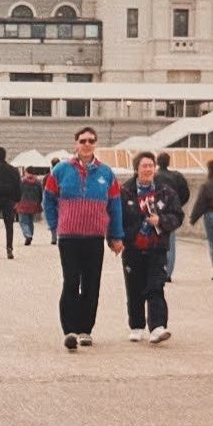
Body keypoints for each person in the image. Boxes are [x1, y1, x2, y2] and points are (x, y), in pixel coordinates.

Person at [43, 126, 123, 351]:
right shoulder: (60, 170)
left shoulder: (106, 173)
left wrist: (116, 236)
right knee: (71, 282)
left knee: (91, 284)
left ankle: (85, 329)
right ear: (76, 144)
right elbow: (48, 199)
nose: (86, 144)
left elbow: (115, 206)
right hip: (69, 237)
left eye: (90, 140)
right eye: (82, 140)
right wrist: (54, 225)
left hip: (94, 237)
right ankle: (69, 330)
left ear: (95, 144)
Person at [119, 152, 184, 345]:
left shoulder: (166, 192)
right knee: (134, 288)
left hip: (157, 247)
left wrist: (161, 221)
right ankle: (136, 325)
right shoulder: (125, 191)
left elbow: (177, 216)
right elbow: (116, 217)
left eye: (151, 166)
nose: (148, 169)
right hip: (133, 247)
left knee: (156, 286)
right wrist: (118, 238)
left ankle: (157, 326)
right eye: (144, 166)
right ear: (136, 169)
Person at [154, 152, 190, 281]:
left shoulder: (154, 176)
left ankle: (156, 269)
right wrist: (177, 205)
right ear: (168, 162)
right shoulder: (177, 176)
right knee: (170, 244)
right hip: (171, 214)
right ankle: (167, 273)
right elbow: (186, 193)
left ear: (157, 162)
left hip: (155, 213)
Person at [16, 166, 44, 245]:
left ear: (27, 172)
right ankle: (30, 235)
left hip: (23, 203)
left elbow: (18, 192)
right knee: (30, 221)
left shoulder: (22, 181)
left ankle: (28, 235)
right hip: (33, 204)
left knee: (23, 221)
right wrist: (39, 202)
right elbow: (40, 194)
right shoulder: (38, 182)